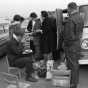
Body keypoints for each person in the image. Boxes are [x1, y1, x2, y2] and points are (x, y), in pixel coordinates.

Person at [62, 2, 84, 88]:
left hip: (71, 46)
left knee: (72, 65)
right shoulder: (80, 17)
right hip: (77, 43)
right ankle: (75, 82)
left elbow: (69, 36)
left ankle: (73, 84)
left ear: (70, 9)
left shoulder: (71, 19)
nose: (67, 11)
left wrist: (65, 45)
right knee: (75, 64)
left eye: (67, 9)